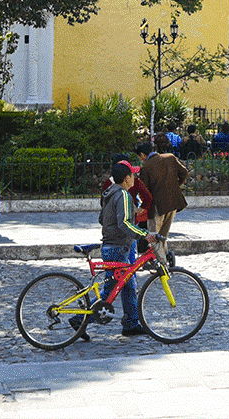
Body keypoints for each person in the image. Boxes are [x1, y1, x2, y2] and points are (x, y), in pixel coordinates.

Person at [94, 161, 148, 337]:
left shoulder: (109, 193)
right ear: (127, 178)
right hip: (119, 247)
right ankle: (80, 318)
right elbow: (124, 224)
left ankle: (131, 322)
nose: (135, 178)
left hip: (111, 245)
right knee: (111, 289)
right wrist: (143, 234)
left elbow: (102, 219)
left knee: (128, 285)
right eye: (133, 175)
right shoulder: (124, 195)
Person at [136, 139, 189, 244]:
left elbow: (144, 190)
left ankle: (160, 259)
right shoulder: (170, 158)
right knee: (163, 236)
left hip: (157, 206)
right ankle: (163, 258)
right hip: (173, 202)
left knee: (153, 236)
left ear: (142, 155)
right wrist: (175, 185)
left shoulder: (146, 167)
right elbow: (184, 173)